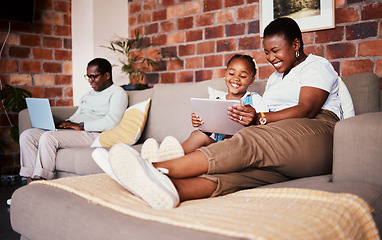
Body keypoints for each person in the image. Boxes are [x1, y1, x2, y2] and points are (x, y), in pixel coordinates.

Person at [104, 17, 342, 210]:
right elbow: (266, 116)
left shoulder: (316, 66)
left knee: (249, 141)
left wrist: (258, 119)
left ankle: (153, 168)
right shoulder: (275, 79)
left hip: (317, 132)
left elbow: (307, 109)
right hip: (282, 142)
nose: (271, 58)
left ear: (296, 45)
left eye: (276, 50)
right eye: (267, 52)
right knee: (243, 172)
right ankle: (173, 189)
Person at [19, 58, 128, 183]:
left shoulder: (118, 93)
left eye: (94, 77)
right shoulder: (87, 95)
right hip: (77, 131)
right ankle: (30, 186)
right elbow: (77, 115)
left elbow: (113, 121)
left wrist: (81, 126)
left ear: (107, 75)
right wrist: (65, 123)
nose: (90, 81)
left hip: (93, 134)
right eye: (88, 77)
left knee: (49, 138)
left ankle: (42, 185)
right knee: (27, 135)